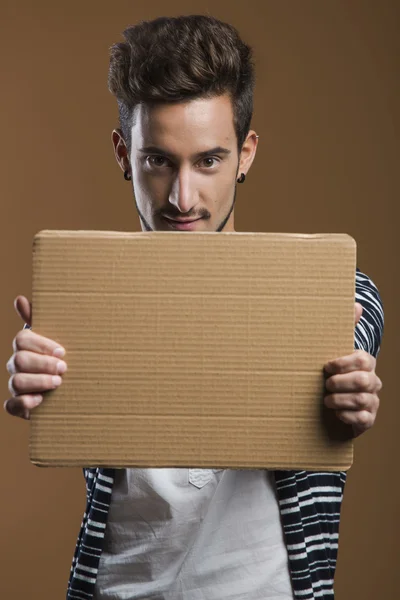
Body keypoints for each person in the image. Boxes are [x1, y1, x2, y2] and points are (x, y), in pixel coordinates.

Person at [4, 15, 384, 600]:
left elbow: (353, 346)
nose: (183, 198)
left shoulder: (337, 295)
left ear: (245, 155)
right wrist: (39, 377)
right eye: (158, 160)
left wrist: (348, 396)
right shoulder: (81, 300)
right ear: (123, 153)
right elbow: (48, 396)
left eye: (208, 160)